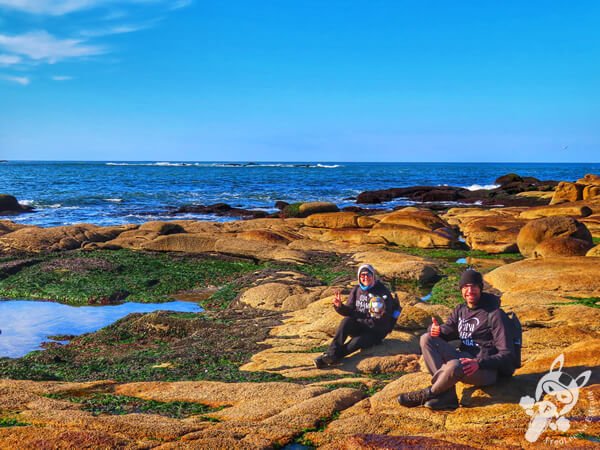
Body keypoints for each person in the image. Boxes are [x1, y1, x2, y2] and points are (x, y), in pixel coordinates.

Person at [397, 269, 514, 410]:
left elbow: (507, 354)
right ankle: (447, 394)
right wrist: (435, 330)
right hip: (465, 359)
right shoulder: (461, 310)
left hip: (487, 369)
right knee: (426, 339)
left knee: (454, 366)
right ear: (461, 290)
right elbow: (447, 332)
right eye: (465, 287)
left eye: (473, 286)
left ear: (480, 288)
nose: (469, 291)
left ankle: (428, 393)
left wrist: (479, 363)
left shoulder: (495, 314)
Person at [314, 264, 400, 369]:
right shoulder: (357, 290)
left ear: (373, 276)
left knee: (356, 342)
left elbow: (383, 321)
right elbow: (349, 311)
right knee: (346, 321)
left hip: (375, 331)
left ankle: (329, 358)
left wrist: (372, 317)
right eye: (362, 275)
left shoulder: (382, 292)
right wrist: (340, 306)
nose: (365, 277)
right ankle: (331, 352)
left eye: (368, 274)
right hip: (361, 325)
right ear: (359, 277)